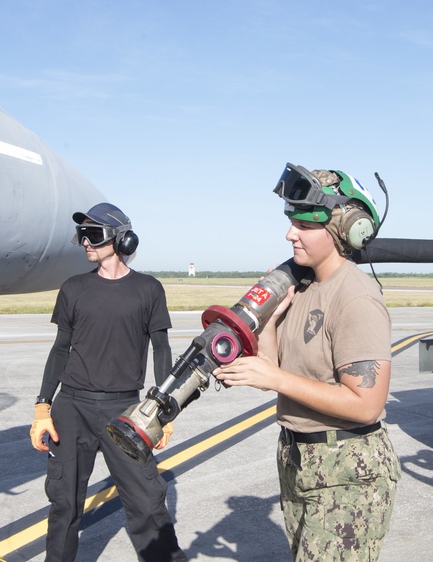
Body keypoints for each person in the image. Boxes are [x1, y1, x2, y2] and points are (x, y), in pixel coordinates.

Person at [214, 164, 400, 561]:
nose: (289, 234)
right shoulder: (303, 288)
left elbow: (367, 404)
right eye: (290, 222)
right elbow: (274, 373)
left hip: (347, 472)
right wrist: (270, 319)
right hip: (300, 462)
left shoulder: (355, 297)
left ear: (342, 229)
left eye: (303, 225)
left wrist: (275, 376)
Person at [29, 202, 187, 562]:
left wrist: (162, 413)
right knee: (65, 505)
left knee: (148, 504)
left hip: (125, 411)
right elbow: (59, 351)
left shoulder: (149, 289)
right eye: (82, 235)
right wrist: (43, 407)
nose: (85, 242)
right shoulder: (73, 288)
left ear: (122, 239)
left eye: (94, 234)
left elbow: (161, 350)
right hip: (72, 408)